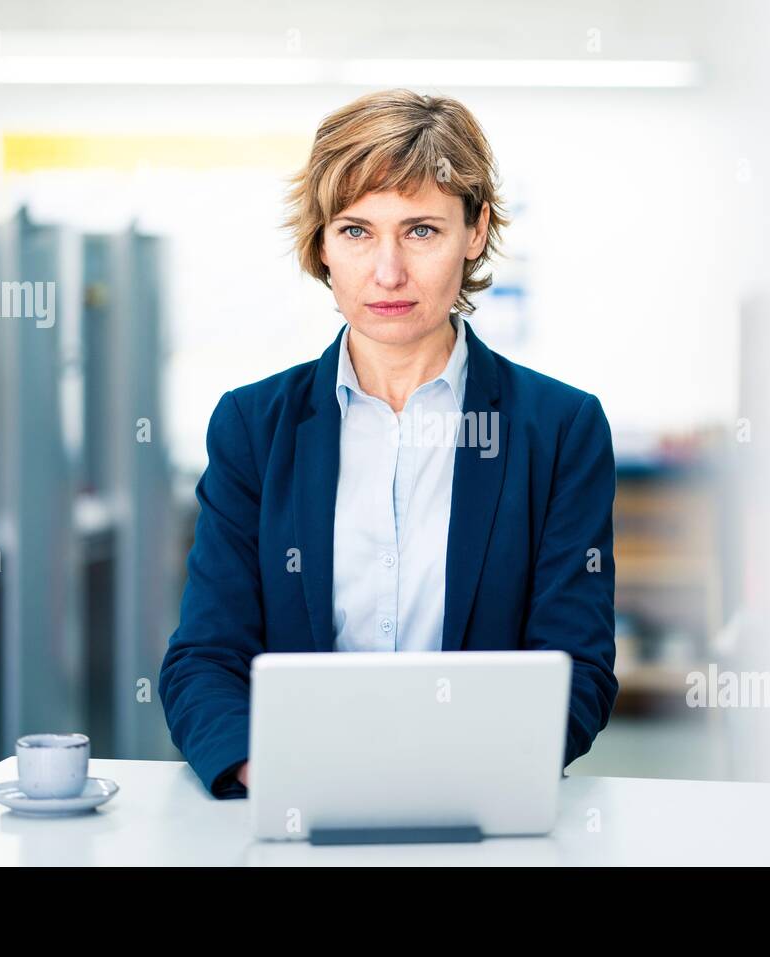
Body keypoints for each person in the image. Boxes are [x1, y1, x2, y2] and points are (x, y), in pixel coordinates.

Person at [158, 88, 618, 798]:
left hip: (480, 810)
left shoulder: (559, 428)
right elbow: (204, 657)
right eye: (356, 231)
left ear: (475, 230)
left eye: (422, 231)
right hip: (296, 812)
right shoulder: (253, 426)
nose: (388, 272)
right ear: (321, 243)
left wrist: (465, 775)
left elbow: (576, 666)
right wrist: (268, 772)